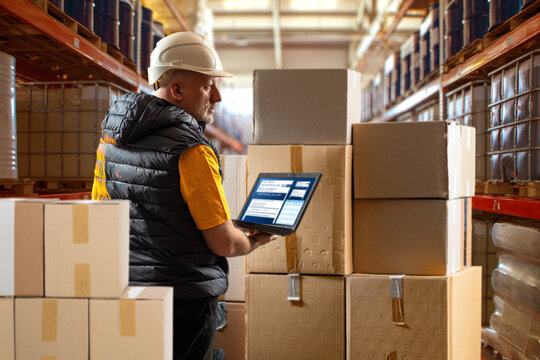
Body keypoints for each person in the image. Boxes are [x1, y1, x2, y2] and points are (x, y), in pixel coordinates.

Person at [91, 31, 275, 360]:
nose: (216, 96)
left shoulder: (110, 139)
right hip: (185, 301)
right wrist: (254, 240)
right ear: (177, 90)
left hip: (129, 291)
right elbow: (221, 242)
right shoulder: (192, 150)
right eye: (207, 86)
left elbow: (100, 213)